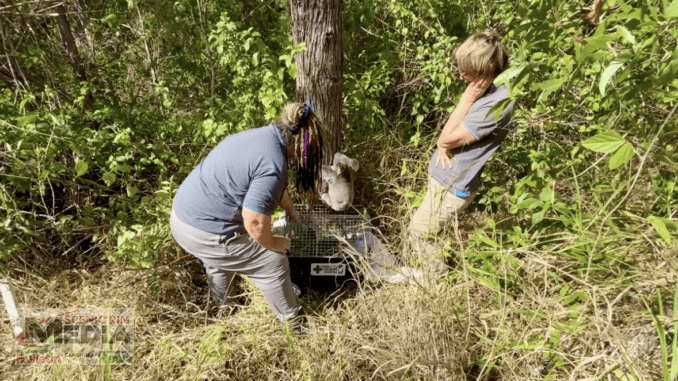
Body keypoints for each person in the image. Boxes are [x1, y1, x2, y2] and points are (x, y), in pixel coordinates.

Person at [169, 102, 324, 333]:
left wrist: (292, 211)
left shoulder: (262, 137)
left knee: (218, 261)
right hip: (204, 231)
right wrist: (276, 243)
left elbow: (272, 188)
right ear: (301, 143)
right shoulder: (274, 163)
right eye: (308, 151)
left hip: (183, 218)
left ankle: (226, 311)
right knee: (272, 262)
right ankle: (296, 327)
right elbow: (254, 223)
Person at [407, 30, 515, 275]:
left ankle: (436, 280)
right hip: (444, 181)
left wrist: (466, 100)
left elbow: (446, 138)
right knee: (425, 231)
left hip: (453, 187)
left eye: (466, 69)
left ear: (484, 68)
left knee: (419, 234)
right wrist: (442, 145)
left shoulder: (497, 102)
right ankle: (434, 274)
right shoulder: (486, 92)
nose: (460, 75)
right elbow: (444, 141)